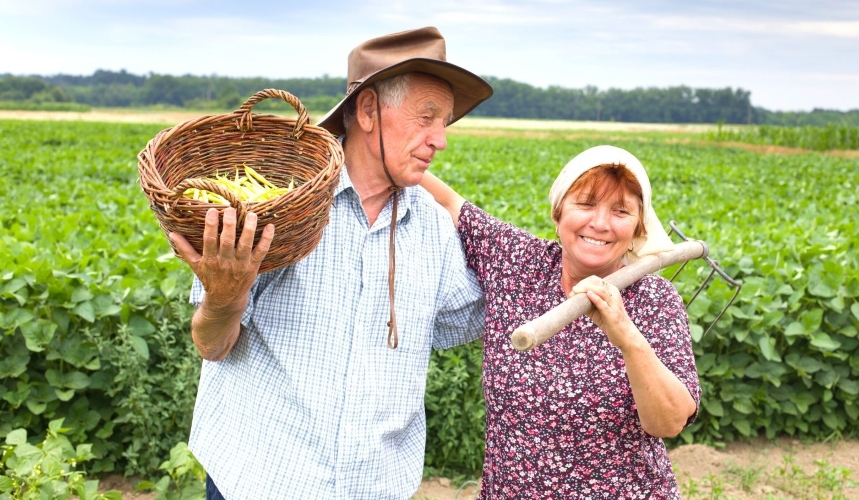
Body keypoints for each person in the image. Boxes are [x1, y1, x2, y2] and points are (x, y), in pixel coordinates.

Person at [167, 26, 493, 499]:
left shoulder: (431, 228)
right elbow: (211, 344)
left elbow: (473, 316)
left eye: (445, 121)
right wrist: (224, 296)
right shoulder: (280, 208)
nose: (439, 140)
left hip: (375, 487)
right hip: (264, 482)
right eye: (426, 118)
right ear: (367, 111)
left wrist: (571, 268)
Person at [420, 145, 701, 498]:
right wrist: (354, 137)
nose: (600, 223)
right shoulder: (518, 263)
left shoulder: (653, 301)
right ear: (557, 213)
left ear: (637, 227)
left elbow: (669, 421)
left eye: (620, 211)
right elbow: (446, 202)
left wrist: (627, 338)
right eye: (585, 204)